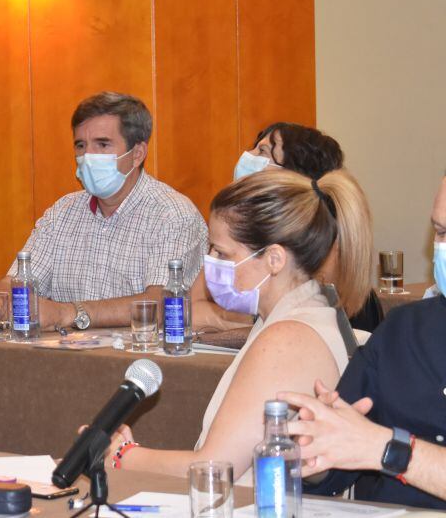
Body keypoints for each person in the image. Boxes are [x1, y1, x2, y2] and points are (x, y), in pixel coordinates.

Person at [103, 168, 373, 482]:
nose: (210, 262)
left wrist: (121, 455)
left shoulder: (287, 338)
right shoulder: (290, 316)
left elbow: (217, 467)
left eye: (222, 252)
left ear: (274, 259)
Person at [0, 92, 207, 331]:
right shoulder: (62, 212)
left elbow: (162, 304)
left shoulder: (173, 215)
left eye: (102, 144)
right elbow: (17, 281)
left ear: (137, 154)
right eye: (81, 145)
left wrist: (69, 313)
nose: (87, 156)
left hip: (140, 353)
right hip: (63, 353)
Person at [276, 175, 446, 509]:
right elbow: (332, 468)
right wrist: (314, 447)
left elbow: (371, 444)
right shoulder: (403, 331)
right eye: (441, 233)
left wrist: (387, 449)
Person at [195, 122, 346, 331]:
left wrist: (250, 315)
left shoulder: (319, 243)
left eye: (262, 151)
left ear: (292, 175)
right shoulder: (234, 232)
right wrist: (244, 316)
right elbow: (188, 309)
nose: (247, 156)